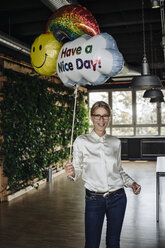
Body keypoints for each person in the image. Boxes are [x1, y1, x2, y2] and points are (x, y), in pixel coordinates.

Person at [64, 101, 141, 248]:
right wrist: (73, 172)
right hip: (94, 200)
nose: (101, 120)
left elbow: (119, 170)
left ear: (109, 118)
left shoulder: (115, 142)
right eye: (98, 116)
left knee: (113, 242)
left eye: (105, 116)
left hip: (118, 198)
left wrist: (132, 183)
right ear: (92, 118)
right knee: (92, 244)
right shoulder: (81, 141)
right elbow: (78, 169)